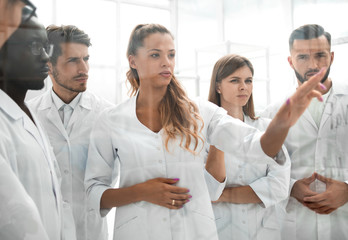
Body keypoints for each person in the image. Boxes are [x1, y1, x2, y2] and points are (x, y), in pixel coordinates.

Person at [84, 23, 326, 240]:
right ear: (133, 60)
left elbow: (256, 145)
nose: (166, 62)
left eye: (171, 54)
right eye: (155, 55)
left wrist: (283, 120)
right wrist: (140, 191)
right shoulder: (111, 120)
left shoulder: (201, 112)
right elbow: (94, 190)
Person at [261, 24, 348, 240]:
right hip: (297, 224)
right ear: (290, 61)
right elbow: (261, 168)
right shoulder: (273, 113)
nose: (313, 65)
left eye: (320, 55)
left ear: (332, 57)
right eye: (302, 57)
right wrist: (290, 188)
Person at [28, 24, 113, 240]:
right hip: (44, 231)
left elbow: (109, 181)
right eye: (73, 60)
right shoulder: (29, 116)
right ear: (49, 65)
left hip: (91, 231)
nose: (84, 69)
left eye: (86, 59)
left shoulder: (108, 115)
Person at [205, 54, 290, 239]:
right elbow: (206, 189)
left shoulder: (267, 128)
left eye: (248, 80)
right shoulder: (201, 135)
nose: (244, 87)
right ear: (218, 86)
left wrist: (224, 196)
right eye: (235, 80)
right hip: (221, 231)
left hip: (264, 230)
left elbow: (280, 186)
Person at [0, 9, 63, 240]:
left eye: (47, 47)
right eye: (34, 47)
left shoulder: (26, 112)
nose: (47, 58)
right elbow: (13, 220)